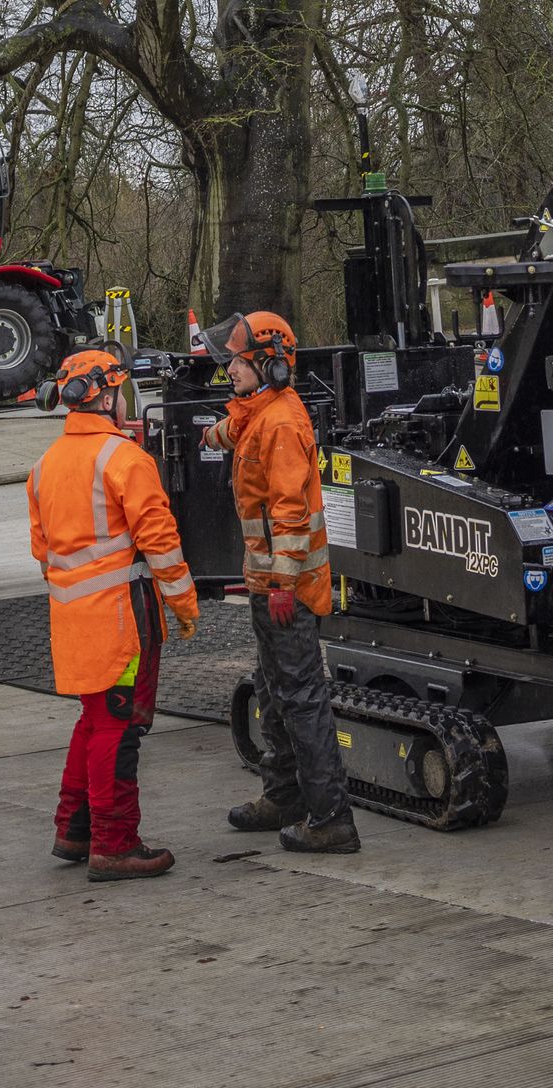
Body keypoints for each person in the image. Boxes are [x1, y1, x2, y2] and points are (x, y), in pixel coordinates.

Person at [27, 343, 200, 881]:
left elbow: (43, 551)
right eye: (122, 390)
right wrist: (184, 604)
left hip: (72, 620)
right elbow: (160, 540)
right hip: (122, 619)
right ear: (104, 397)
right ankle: (114, 844)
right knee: (116, 729)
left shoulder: (44, 466)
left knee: (94, 720)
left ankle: (73, 829)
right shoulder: (125, 459)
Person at [202, 308, 360, 853]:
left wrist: (285, 586)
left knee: (301, 696)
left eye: (238, 363)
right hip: (267, 584)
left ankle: (332, 818)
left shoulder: (283, 424)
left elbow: (291, 514)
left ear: (269, 365)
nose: (229, 370)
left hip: (285, 590)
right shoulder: (259, 412)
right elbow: (238, 428)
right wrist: (210, 433)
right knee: (272, 690)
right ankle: (283, 796)